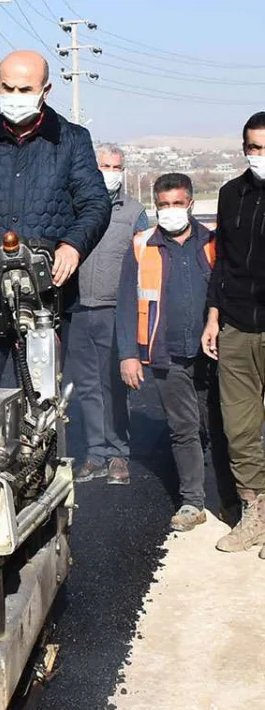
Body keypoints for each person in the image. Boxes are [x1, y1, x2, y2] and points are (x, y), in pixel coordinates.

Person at [0, 50, 111, 388]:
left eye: (25, 90)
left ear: (45, 91)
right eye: (8, 88)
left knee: (43, 398)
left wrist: (73, 247)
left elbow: (94, 202)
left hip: (48, 297)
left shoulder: (72, 139)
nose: (15, 98)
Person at [117, 174, 218, 532]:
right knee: (183, 428)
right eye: (163, 205)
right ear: (155, 206)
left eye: (177, 204)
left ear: (191, 205)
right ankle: (193, 502)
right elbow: (127, 302)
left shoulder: (213, 242)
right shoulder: (142, 245)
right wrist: (128, 354)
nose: (170, 211)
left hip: (213, 351)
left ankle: (238, 498)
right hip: (165, 352)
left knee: (220, 425)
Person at [201, 111, 265, 553]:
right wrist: (213, 317)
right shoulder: (230, 194)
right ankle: (254, 513)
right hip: (237, 325)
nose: (258, 155)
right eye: (253, 147)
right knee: (239, 427)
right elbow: (222, 261)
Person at [67, 145, 150, 484]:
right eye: (105, 165)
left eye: (117, 166)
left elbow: (146, 266)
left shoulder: (134, 213)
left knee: (114, 384)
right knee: (87, 386)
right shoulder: (74, 207)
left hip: (116, 312)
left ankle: (119, 454)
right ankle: (95, 453)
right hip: (78, 310)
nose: (111, 172)